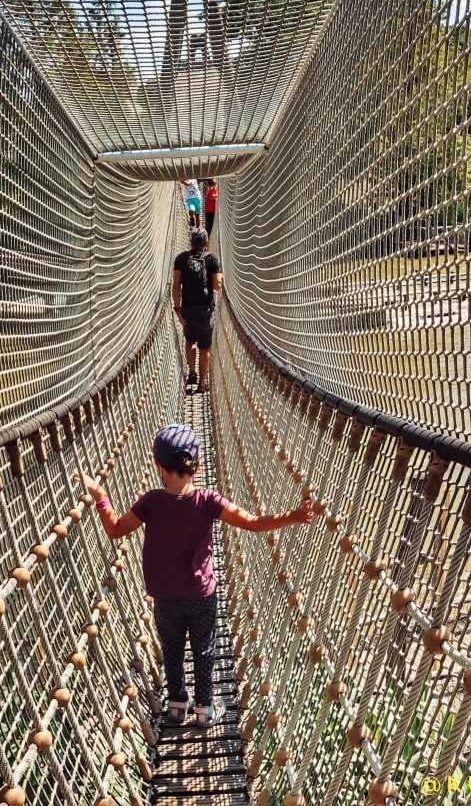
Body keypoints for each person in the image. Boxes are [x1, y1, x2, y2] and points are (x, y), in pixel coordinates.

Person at [76, 424, 312, 728]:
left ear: (158, 467)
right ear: (197, 467)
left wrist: (101, 496)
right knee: (204, 648)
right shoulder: (208, 501)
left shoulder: (150, 502)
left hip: (165, 595)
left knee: (172, 647)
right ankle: (204, 709)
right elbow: (252, 523)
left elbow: (115, 530)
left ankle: (176, 705)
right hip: (202, 595)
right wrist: (292, 516)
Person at [173, 229, 222, 393]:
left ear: (191, 242)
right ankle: (202, 384)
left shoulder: (181, 259)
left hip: (187, 309)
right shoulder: (212, 259)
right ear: (206, 243)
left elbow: (175, 285)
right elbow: (216, 286)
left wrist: (177, 310)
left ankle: (192, 373)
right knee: (204, 348)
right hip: (205, 311)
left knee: (189, 342)